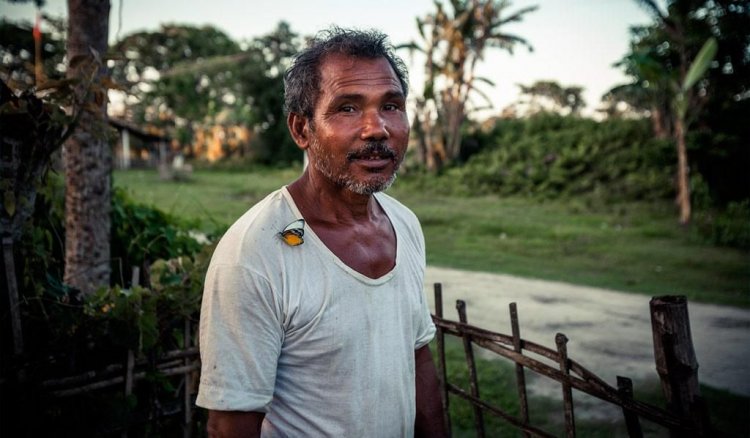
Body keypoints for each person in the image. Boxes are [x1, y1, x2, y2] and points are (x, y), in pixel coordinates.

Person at [196, 27, 446, 437]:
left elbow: (417, 358)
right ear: (301, 130)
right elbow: (231, 423)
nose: (377, 128)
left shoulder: (404, 224)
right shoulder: (255, 253)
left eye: (391, 105)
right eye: (348, 108)